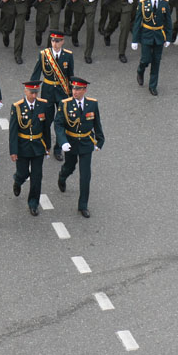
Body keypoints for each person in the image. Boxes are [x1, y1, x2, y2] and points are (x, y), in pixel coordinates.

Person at [55, 77, 105, 217]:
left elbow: (96, 123)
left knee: (85, 176)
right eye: (73, 88)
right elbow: (58, 124)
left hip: (86, 143)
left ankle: (83, 205)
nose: (75, 91)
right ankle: (62, 176)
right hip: (71, 142)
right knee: (70, 166)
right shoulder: (65, 104)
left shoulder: (92, 104)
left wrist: (100, 141)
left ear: (84, 90)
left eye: (78, 89)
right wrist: (63, 141)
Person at [9, 81, 52, 216]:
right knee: (22, 173)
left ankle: (33, 203)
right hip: (23, 146)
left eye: (36, 93)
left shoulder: (43, 105)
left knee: (37, 176)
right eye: (31, 93)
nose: (34, 95)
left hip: (38, 146)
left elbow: (46, 128)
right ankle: (18, 180)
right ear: (25, 91)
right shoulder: (17, 107)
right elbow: (13, 131)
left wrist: (48, 146)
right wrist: (13, 151)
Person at [30, 30, 73, 161]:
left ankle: (58, 148)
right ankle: (46, 145)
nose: (55, 43)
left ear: (62, 42)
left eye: (57, 41)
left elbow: (70, 75)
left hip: (62, 91)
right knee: (46, 120)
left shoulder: (68, 55)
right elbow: (36, 72)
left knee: (62, 120)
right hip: (48, 91)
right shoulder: (44, 54)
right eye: (53, 41)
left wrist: (72, 92)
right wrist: (32, 90)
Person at [132, 0, 173, 96]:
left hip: (159, 34)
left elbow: (168, 22)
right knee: (145, 59)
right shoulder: (143, 3)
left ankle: (153, 86)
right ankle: (140, 70)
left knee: (156, 61)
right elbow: (137, 22)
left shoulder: (164, 3)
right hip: (146, 34)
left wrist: (168, 38)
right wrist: (135, 40)